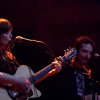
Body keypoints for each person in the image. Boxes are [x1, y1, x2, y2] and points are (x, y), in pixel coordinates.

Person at [0, 18, 62, 100]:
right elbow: (21, 81)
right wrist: (18, 81)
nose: (11, 36)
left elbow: (28, 82)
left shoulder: (8, 56)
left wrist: (52, 71)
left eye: (11, 32)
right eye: (8, 33)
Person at [37, 35, 98, 100]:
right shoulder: (64, 69)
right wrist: (84, 98)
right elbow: (59, 94)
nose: (87, 56)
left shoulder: (87, 73)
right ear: (76, 51)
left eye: (90, 53)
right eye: (84, 51)